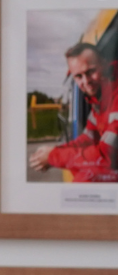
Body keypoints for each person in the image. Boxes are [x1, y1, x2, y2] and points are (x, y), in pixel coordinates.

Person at [29, 41, 118, 181]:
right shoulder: (98, 101)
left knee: (87, 179)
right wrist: (55, 151)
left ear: (104, 64)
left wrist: (53, 157)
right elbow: (88, 138)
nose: (86, 81)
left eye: (91, 71)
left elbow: (108, 155)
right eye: (78, 76)